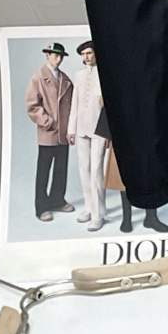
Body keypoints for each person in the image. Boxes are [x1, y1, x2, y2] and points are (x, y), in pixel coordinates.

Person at [25, 43, 75, 223]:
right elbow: (32, 106)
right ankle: (41, 207)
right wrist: (48, 122)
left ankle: (57, 200)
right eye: (55, 55)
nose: (58, 59)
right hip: (48, 132)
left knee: (61, 169)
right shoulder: (38, 78)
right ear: (47, 55)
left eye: (61, 56)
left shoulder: (66, 79)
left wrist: (71, 128)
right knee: (43, 171)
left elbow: (73, 106)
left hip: (64, 133)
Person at [68, 40, 110, 231]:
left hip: (99, 129)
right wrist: (71, 129)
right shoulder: (79, 75)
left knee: (96, 170)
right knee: (83, 169)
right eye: (83, 54)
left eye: (89, 53)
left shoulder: (106, 73)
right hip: (81, 128)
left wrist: (108, 133)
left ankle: (98, 214)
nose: (86, 57)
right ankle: (88, 207)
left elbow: (108, 107)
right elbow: (75, 103)